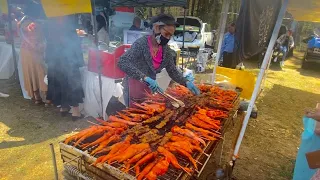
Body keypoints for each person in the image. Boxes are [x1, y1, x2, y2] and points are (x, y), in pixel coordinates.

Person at [118, 14, 200, 107]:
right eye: (166, 34)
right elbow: (122, 62)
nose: (168, 38)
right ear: (156, 28)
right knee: (134, 115)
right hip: (133, 88)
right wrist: (144, 78)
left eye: (170, 36)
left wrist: (186, 82)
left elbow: (172, 71)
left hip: (148, 90)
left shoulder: (166, 50)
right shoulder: (141, 44)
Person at [45, 15, 85, 120]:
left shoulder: (51, 28)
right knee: (73, 84)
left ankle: (63, 107)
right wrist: (80, 61)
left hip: (56, 62)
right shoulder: (69, 30)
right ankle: (76, 112)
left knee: (61, 83)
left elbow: (49, 47)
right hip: (69, 62)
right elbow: (76, 47)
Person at [19, 5, 47, 105]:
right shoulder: (34, 24)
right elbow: (36, 39)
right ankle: (47, 98)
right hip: (34, 51)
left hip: (24, 51)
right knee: (40, 72)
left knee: (30, 73)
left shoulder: (22, 22)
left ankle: (36, 97)